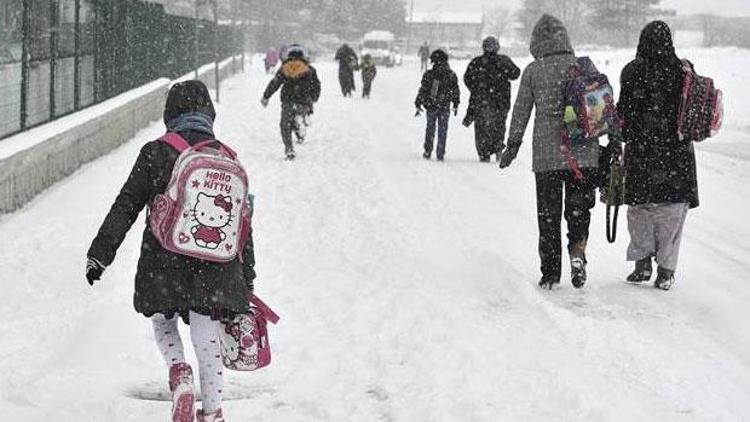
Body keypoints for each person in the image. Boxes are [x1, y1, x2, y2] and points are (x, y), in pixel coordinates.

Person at [85, 80, 256, 422]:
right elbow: (242, 224)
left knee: (163, 321)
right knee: (206, 331)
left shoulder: (156, 151)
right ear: (209, 112)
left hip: (163, 260)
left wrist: (100, 253)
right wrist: (247, 276)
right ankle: (213, 411)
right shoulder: (225, 156)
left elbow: (127, 205)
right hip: (216, 265)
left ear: (170, 113)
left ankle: (180, 374)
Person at [499, 14, 609, 290]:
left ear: (536, 42)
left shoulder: (534, 71)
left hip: (547, 155)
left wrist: (512, 145)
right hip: (583, 152)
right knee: (578, 210)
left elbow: (521, 110)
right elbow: (600, 107)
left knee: (548, 215)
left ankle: (550, 273)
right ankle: (578, 251)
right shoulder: (582, 66)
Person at [617, 21, 699, 291]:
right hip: (676, 154)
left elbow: (623, 113)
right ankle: (666, 270)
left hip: (642, 151)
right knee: (673, 211)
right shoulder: (683, 71)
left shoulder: (632, 71)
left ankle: (642, 263)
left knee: (640, 208)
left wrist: (623, 135)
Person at [463, 36, 521, 162]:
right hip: (501, 101)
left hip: (481, 101)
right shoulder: (503, 61)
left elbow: (467, 78)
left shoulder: (477, 62)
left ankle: (484, 152)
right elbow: (516, 73)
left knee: (481, 128)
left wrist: (476, 89)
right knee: (499, 126)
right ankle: (498, 147)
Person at [261, 44, 321, 160]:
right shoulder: (310, 69)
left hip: (288, 100)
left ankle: (289, 149)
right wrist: (314, 98)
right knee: (299, 116)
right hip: (304, 101)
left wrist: (266, 96)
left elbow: (275, 83)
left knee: (285, 125)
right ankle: (301, 124)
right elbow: (317, 86)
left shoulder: (284, 68)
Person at [415, 49, 460, 161]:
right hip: (445, 106)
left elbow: (423, 90)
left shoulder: (429, 74)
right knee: (443, 130)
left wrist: (418, 102)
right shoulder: (451, 74)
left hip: (431, 105)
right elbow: (455, 90)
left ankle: (428, 150)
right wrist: (455, 103)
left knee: (430, 128)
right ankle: (440, 152)